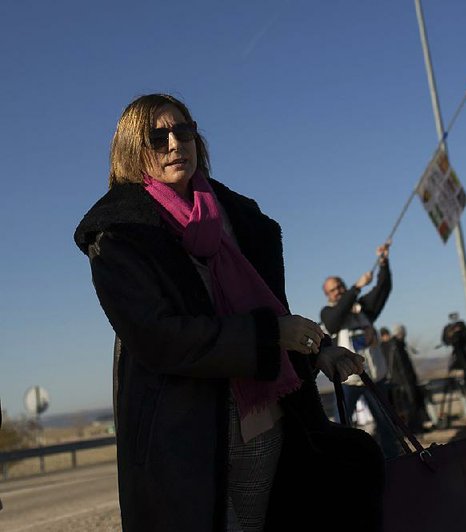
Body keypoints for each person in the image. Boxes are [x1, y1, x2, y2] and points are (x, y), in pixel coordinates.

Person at [74, 94, 384, 532]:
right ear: (132, 149)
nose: (174, 144)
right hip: (182, 434)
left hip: (262, 421)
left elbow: (270, 307)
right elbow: (158, 337)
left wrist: (318, 352)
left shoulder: (236, 218)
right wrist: (270, 334)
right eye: (157, 136)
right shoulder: (121, 234)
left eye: (183, 131)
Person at [320, 245, 402, 458]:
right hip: (348, 382)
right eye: (334, 289)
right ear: (327, 295)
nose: (339, 291)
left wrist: (383, 264)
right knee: (343, 427)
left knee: (387, 427)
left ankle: (395, 466)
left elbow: (382, 289)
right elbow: (335, 320)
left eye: (341, 286)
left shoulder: (363, 310)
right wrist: (356, 288)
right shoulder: (329, 314)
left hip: (374, 379)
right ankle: (344, 465)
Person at [384, 324, 428, 433]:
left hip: (402, 381)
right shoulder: (396, 345)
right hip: (404, 382)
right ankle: (415, 429)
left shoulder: (394, 345)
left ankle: (416, 427)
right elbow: (402, 367)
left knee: (409, 405)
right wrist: (408, 383)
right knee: (411, 404)